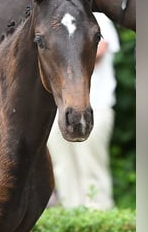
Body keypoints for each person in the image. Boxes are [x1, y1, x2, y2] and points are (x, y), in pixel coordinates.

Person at [47, 12, 120, 210]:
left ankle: (100, 214)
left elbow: (98, 51)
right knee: (62, 168)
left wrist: (61, 51)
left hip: (97, 106)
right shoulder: (55, 18)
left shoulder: (99, 18)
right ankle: (72, 215)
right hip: (62, 111)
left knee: (92, 167)